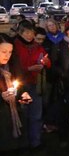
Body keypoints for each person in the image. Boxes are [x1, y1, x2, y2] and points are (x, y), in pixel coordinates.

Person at [0, 34, 31, 156]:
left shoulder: (9, 70)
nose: (7, 55)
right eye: (3, 51)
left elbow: (17, 90)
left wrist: (23, 96)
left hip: (9, 128)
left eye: (10, 52)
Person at [11, 20, 48, 149]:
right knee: (24, 113)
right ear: (21, 33)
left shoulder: (37, 46)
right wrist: (28, 69)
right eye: (26, 32)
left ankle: (35, 141)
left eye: (31, 32)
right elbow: (15, 66)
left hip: (34, 83)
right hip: (21, 84)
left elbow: (46, 61)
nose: (29, 35)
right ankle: (24, 142)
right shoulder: (15, 46)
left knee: (36, 113)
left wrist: (44, 63)